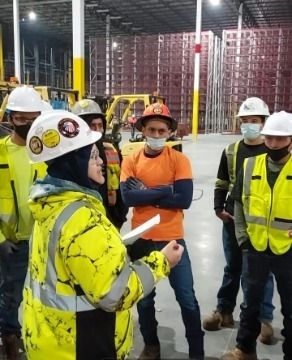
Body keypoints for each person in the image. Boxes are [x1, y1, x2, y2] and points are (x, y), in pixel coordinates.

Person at [23, 110, 184, 360]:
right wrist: (161, 262)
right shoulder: (82, 218)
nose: (101, 162)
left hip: (49, 337)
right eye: (93, 156)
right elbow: (114, 295)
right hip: (81, 343)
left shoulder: (48, 205)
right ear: (74, 162)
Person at [120, 102, 204, 360]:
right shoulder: (131, 159)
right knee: (144, 300)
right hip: (141, 240)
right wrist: (167, 190)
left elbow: (184, 200)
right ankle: (152, 345)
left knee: (187, 297)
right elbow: (128, 198)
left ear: (169, 133)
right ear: (142, 130)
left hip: (172, 239)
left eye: (162, 131)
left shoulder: (179, 160)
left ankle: (196, 352)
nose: (156, 136)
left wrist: (146, 194)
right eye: (152, 130)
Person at [221, 111, 292, 360]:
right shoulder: (251, 165)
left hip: (287, 251)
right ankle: (245, 349)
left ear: (290, 140)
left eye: (279, 139)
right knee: (250, 303)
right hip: (255, 247)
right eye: (269, 138)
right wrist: (242, 238)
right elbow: (238, 203)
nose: (273, 144)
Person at [203, 97, 275, 344]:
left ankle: (264, 320)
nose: (248, 125)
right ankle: (224, 311)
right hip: (233, 218)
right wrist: (217, 207)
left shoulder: (272, 149)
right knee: (232, 267)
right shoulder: (232, 150)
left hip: (262, 223)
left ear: (263, 122)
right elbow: (222, 180)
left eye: (253, 121)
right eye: (244, 121)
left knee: (262, 273)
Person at [0, 86, 46, 360]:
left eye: (33, 118)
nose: (28, 124)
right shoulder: (1, 152)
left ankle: (29, 335)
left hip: (43, 239)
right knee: (10, 295)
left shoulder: (47, 151)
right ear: (10, 118)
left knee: (41, 295)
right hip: (12, 244)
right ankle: (9, 340)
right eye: (21, 119)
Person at [72, 99, 128, 230]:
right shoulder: (71, 158)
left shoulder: (111, 151)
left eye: (100, 125)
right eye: (92, 126)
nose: (97, 130)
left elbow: (120, 187)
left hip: (111, 221)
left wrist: (118, 217)